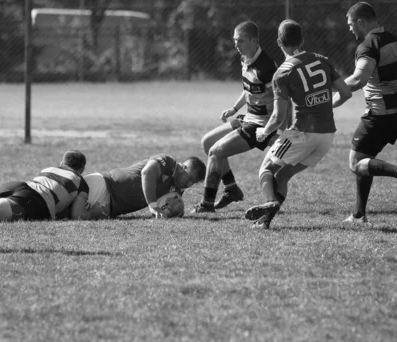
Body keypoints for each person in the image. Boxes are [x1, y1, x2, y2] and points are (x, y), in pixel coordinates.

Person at [243, 19, 352, 229]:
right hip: (327, 137)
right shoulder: (323, 60)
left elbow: (278, 117)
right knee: (282, 175)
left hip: (303, 134)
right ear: (302, 40)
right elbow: (346, 93)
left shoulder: (282, 73)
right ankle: (264, 222)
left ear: (278, 42)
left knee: (265, 170)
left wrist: (263, 132)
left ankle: (270, 202)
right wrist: (327, 105)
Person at [192, 21, 279, 213]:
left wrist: (272, 130)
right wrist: (234, 108)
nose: (236, 45)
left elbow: (281, 99)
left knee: (216, 152)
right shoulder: (245, 59)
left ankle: (206, 204)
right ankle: (232, 190)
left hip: (260, 125)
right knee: (207, 143)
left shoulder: (266, 68)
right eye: (235, 40)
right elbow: (248, 89)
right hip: (248, 117)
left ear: (254, 41)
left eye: (240, 41)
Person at [341, 2, 397, 225]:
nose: (351, 29)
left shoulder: (367, 46)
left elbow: (358, 80)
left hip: (380, 114)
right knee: (365, 157)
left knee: (356, 162)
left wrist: (330, 88)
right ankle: (358, 215)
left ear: (361, 22)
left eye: (351, 24)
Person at [83, 154, 206, 219]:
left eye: (193, 183)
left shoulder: (178, 189)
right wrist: (152, 205)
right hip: (104, 186)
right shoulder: (167, 162)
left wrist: (176, 211)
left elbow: (166, 208)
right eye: (189, 178)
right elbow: (147, 172)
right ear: (183, 167)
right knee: (65, 203)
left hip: (108, 209)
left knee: (67, 216)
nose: (188, 184)